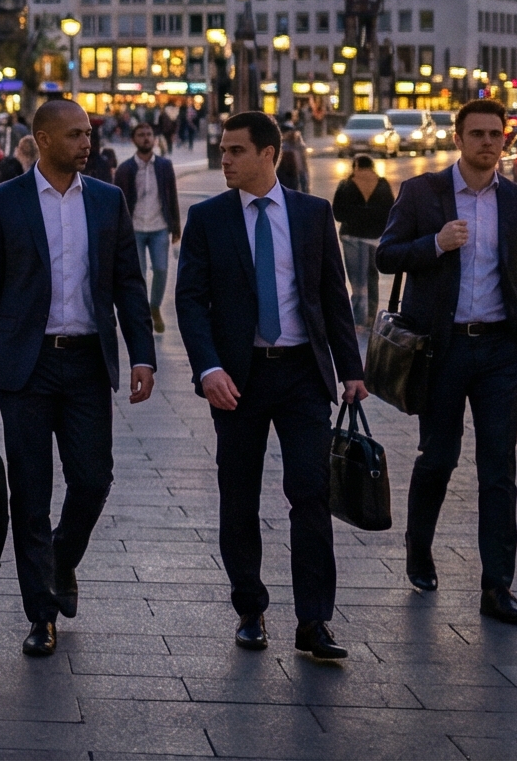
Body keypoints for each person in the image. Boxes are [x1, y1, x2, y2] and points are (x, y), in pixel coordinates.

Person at [0, 98, 159, 657]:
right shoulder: (2, 203)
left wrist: (142, 354)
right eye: (75, 134)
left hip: (88, 363)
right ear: (44, 140)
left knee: (94, 479)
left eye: (89, 133)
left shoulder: (107, 200)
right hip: (26, 366)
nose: (87, 142)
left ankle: (60, 557)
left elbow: (127, 284)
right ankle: (41, 614)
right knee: (30, 493)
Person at [176, 111, 365, 663]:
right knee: (239, 495)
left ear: (268, 155)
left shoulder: (312, 214)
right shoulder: (208, 218)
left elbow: (334, 297)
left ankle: (314, 621)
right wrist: (208, 369)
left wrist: (351, 371)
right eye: (222, 149)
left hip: (303, 373)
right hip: (238, 378)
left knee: (311, 492)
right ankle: (250, 610)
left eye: (235, 150)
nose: (224, 159)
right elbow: (190, 301)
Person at [373, 98, 517, 626]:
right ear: (458, 137)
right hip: (440, 349)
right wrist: (436, 244)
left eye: (495, 134)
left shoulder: (516, 200)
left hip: (498, 350)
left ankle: (498, 587)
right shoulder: (423, 192)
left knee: (499, 470)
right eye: (477, 134)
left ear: (504, 139)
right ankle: (418, 546)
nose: (487, 142)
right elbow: (386, 255)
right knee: (438, 458)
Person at [115, 128, 181, 336]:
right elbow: (118, 203)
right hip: (134, 229)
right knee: (139, 274)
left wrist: (176, 227)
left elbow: (172, 197)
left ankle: (154, 306)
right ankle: (143, 314)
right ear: (134, 139)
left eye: (150, 134)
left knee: (161, 270)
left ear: (154, 139)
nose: (146, 138)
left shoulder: (164, 166)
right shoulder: (125, 169)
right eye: (141, 135)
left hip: (159, 226)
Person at [329, 154, 395, 333]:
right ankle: (371, 319)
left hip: (352, 237)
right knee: (372, 277)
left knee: (357, 280)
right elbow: (391, 212)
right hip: (375, 238)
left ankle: (358, 320)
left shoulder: (346, 184)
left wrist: (355, 218)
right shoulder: (382, 184)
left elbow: (337, 213)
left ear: (355, 166)